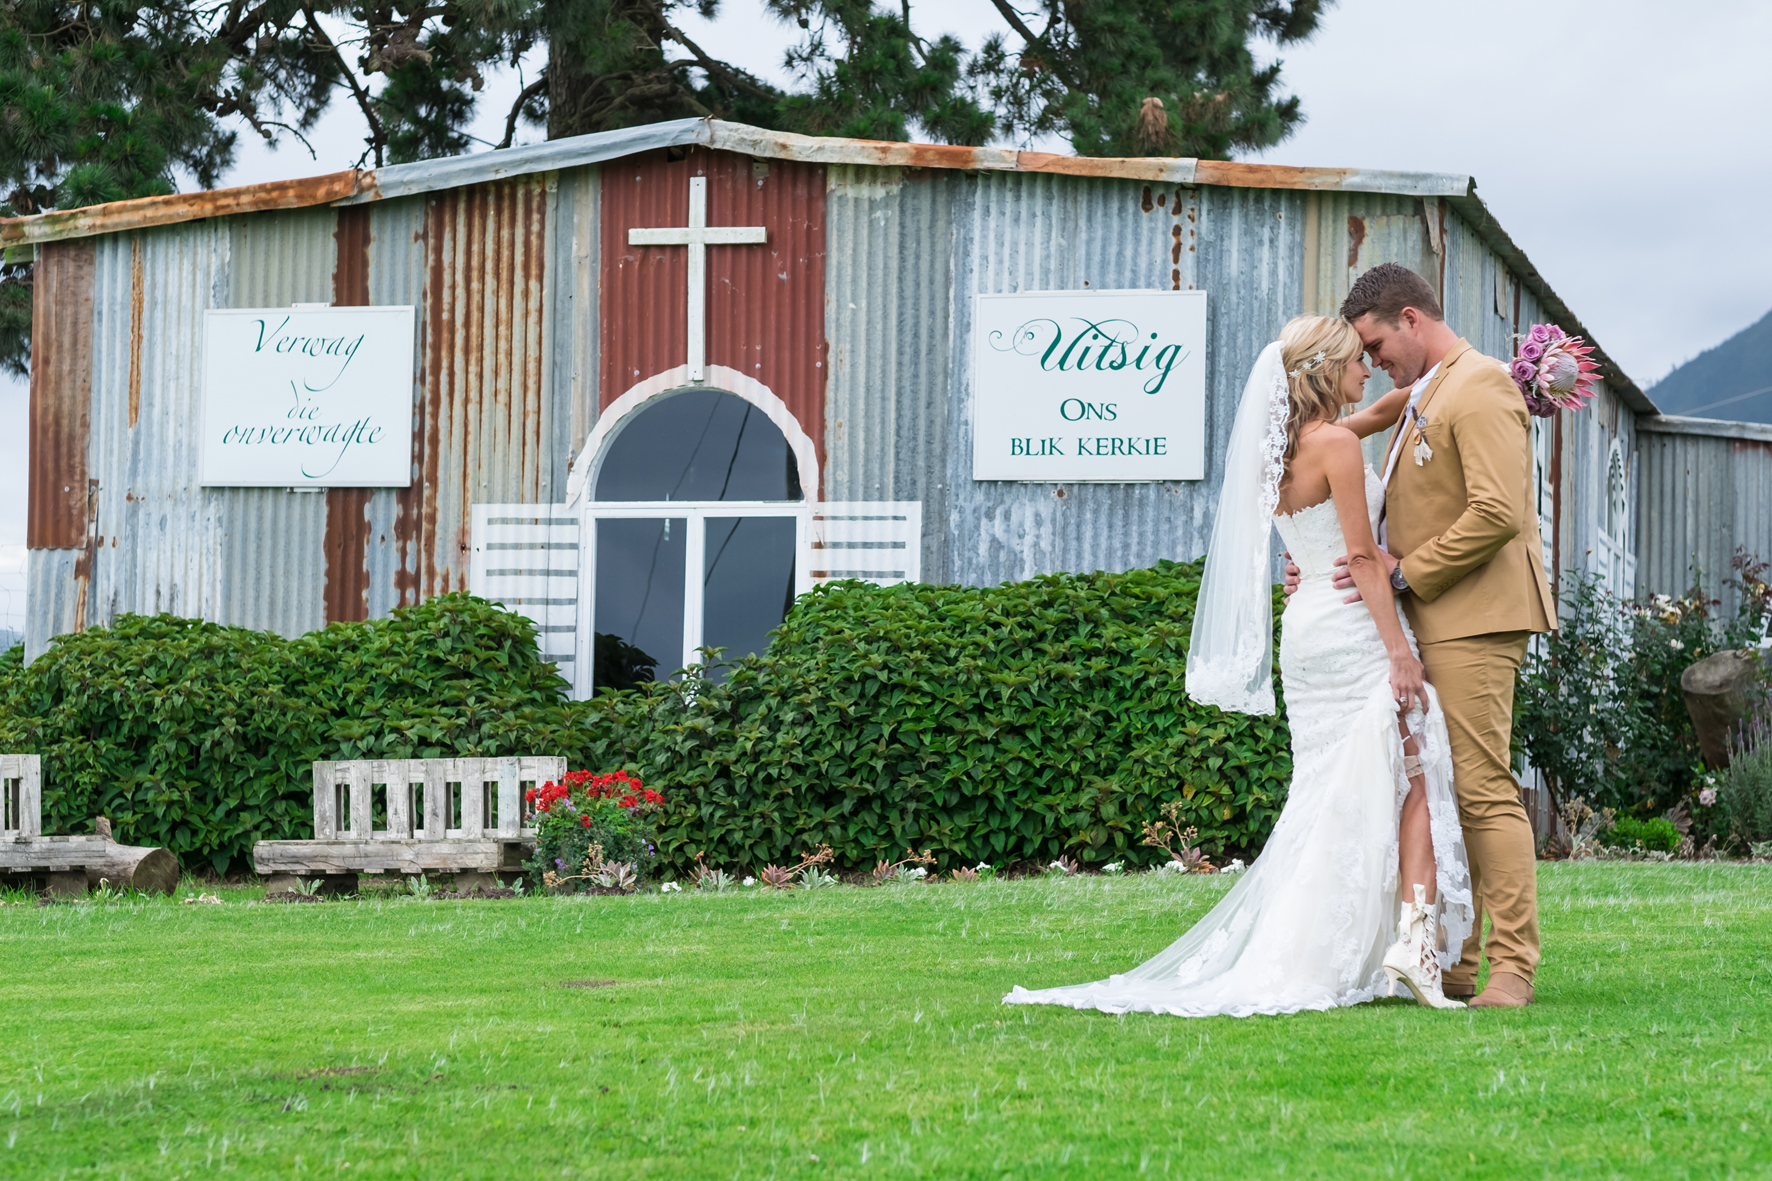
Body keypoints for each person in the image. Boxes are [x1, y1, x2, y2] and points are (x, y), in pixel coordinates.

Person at [1004, 314, 1472, 1018]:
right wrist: (1402, 655)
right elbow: (1365, 562)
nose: (1367, 369)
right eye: (1354, 360)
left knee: (1332, 786)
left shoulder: (1279, 451)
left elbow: (1384, 413)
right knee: (1415, 768)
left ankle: (1355, 944)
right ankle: (1413, 940)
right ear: (1323, 371)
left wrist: (1477, 377)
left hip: (1306, 623)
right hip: (1350, 626)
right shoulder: (1338, 447)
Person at [1290, 264, 1556, 1009]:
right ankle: (1463, 958)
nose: (1373, 363)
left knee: (1482, 788)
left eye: (1375, 345)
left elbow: (1499, 511)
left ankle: (1511, 966)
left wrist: (1402, 573)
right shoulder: (1426, 393)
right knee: (1444, 788)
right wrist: (1326, 561)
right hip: (1428, 617)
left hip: (1476, 614)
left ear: (1410, 317)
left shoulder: (1481, 386)